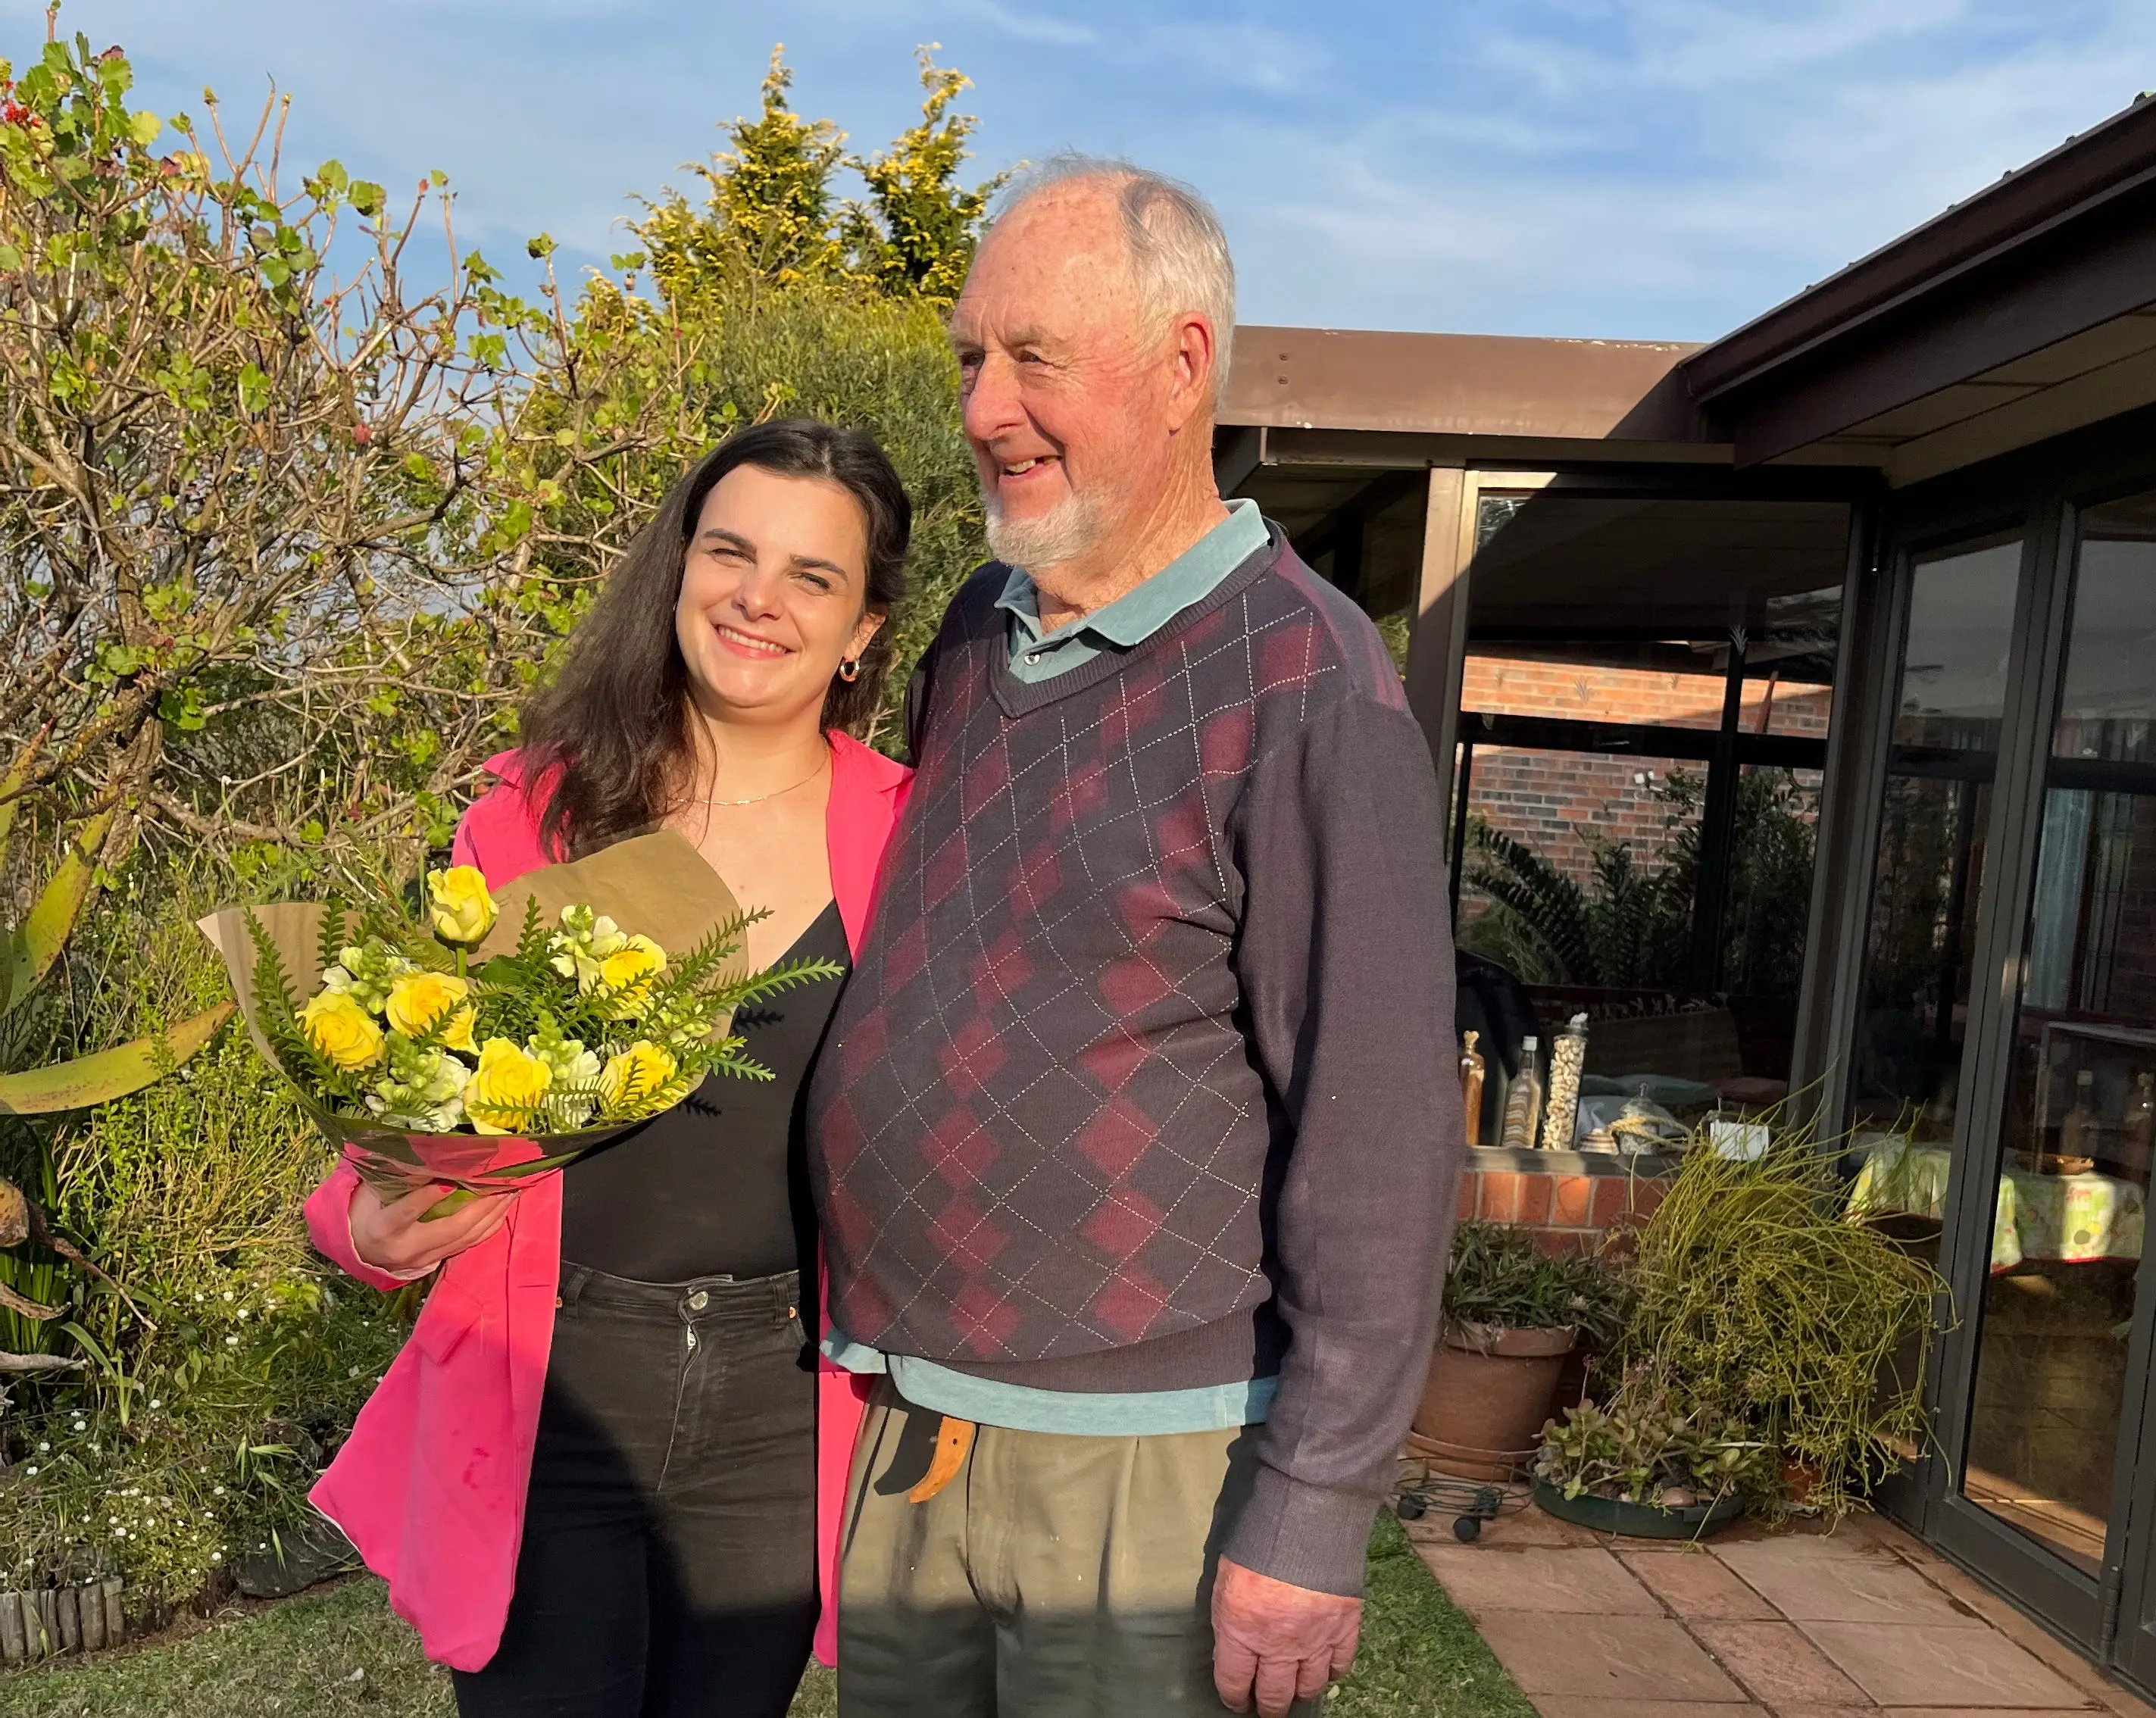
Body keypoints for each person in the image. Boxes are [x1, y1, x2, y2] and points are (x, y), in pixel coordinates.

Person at [808, 158, 1461, 1718]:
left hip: (1150, 1472)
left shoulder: (1307, 677)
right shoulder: (976, 630)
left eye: (1036, 355)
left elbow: (1379, 1133)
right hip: (912, 1432)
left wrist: (1312, 1511)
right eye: (973, 357)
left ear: (1181, 368)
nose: (983, 407)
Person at [302, 420, 913, 1717]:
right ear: (678, 573)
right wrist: (362, 1220)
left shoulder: (916, 840)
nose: (759, 597)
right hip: (549, 1389)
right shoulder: (537, 815)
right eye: (730, 552)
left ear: (863, 631)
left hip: (782, 1402)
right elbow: (420, 1094)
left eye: (814, 576)